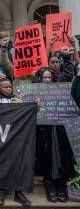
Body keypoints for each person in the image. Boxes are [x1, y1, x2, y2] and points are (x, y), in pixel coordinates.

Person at [33, 67, 76, 203]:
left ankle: (61, 187)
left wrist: (67, 58)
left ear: (53, 78)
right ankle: (50, 186)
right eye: (44, 78)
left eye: (49, 78)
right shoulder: (34, 92)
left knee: (63, 158)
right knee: (47, 157)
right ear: (40, 79)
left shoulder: (61, 91)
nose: (47, 80)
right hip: (44, 132)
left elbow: (69, 75)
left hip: (60, 131)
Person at [0, 78, 35, 207]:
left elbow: (29, 114)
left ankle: (19, 193)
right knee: (0, 164)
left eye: (10, 87)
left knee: (18, 163)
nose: (9, 89)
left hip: (16, 138)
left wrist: (32, 106)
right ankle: (0, 191)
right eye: (5, 87)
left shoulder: (17, 99)